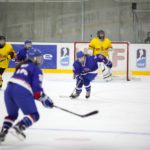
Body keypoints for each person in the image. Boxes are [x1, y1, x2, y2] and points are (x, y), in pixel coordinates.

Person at [0, 48, 54, 142]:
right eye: (38, 58)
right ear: (33, 58)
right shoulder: (36, 69)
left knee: (12, 115)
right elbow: (37, 92)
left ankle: (3, 132)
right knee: (34, 115)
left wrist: (41, 97)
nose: (40, 60)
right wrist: (45, 99)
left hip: (8, 90)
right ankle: (20, 126)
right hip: (21, 90)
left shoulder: (20, 66)